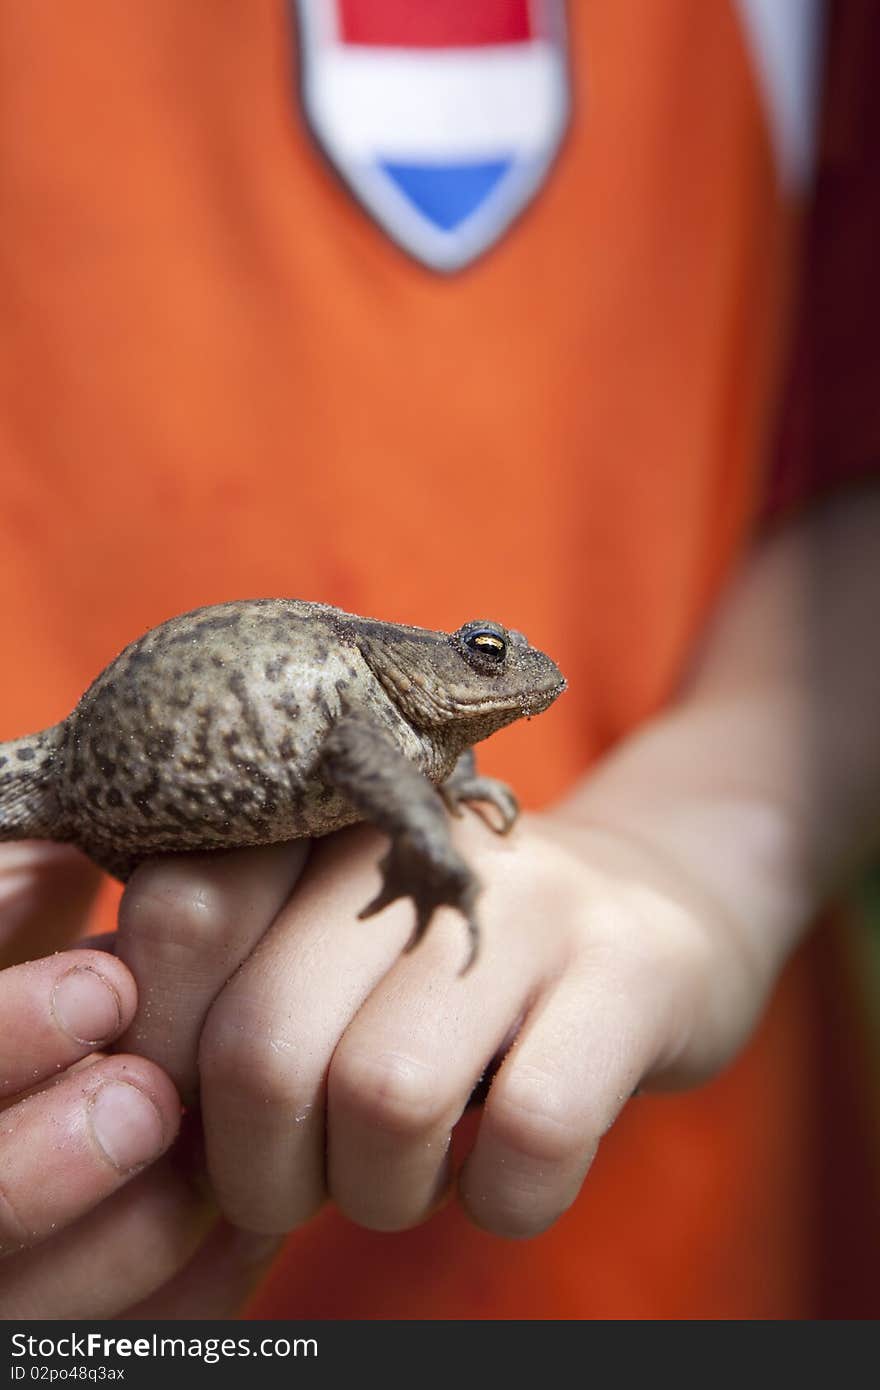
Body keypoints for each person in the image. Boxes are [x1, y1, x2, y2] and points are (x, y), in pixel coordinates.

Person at [1, 0, 878, 1319]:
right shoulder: (389, 716)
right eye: (479, 653)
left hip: (651, 1261)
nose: (507, 667)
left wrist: (703, 839)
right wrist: (430, 830)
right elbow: (365, 752)